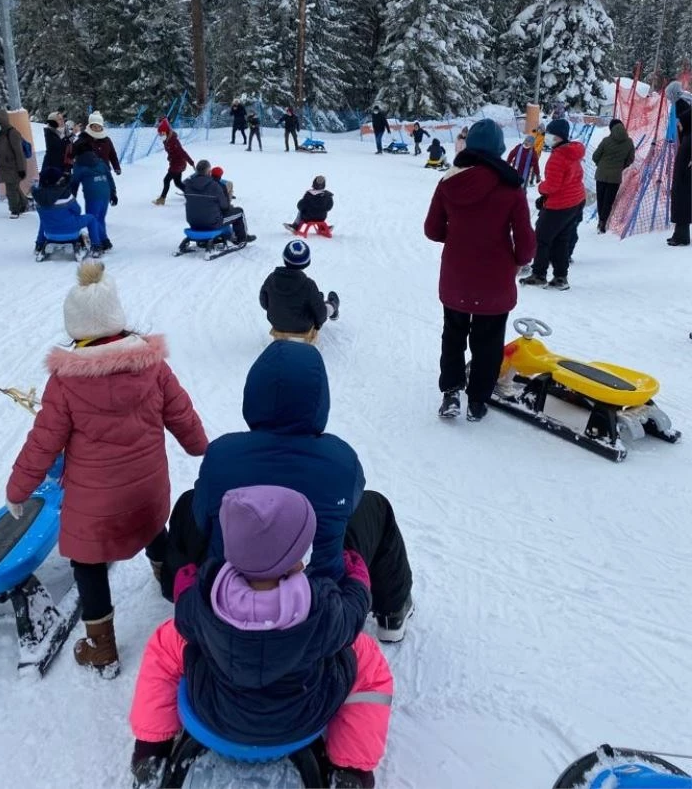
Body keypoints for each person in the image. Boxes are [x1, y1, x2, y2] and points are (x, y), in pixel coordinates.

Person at [5, 262, 207, 676]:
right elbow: (182, 414)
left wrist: (18, 489)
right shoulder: (152, 365)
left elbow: (43, 442)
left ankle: (102, 647)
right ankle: (170, 583)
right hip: (147, 488)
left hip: (95, 503)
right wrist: (201, 448)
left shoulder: (66, 382)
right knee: (154, 528)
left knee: (88, 562)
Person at [129, 486, 392, 789]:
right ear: (296, 559)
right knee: (367, 659)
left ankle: (151, 750)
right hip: (301, 716)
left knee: (166, 640)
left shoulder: (206, 596)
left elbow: (185, 614)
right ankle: (352, 770)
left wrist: (186, 587)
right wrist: (358, 584)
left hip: (215, 709)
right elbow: (353, 617)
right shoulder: (320, 605)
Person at [160, 341, 414, 644]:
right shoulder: (341, 459)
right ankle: (392, 609)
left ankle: (176, 584)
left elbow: (203, 520)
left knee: (190, 503)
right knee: (375, 507)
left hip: (233, 587)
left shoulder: (221, 455)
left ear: (253, 394)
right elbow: (352, 504)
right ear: (319, 400)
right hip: (318, 597)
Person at [424, 119, 536, 422]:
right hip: (495, 280)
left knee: (453, 335)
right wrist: (518, 260)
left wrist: (459, 238)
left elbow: (432, 229)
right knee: (488, 342)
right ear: (499, 149)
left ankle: (450, 393)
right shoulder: (511, 186)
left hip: (456, 276)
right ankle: (477, 401)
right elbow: (526, 244)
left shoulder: (449, 181)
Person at [520, 118, 586, 290]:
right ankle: (560, 277)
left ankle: (539, 274)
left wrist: (541, 188)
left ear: (558, 136)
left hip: (559, 205)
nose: (546, 137)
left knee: (542, 238)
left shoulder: (559, 156)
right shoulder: (573, 152)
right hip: (575, 201)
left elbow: (552, 185)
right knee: (561, 239)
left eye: (549, 134)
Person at [259, 240, 339, 342]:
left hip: (277, 322)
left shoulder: (271, 279)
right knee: (324, 307)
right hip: (303, 326)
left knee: (315, 299)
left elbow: (264, 302)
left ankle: (321, 299)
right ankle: (333, 306)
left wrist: (278, 308)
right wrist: (318, 324)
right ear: (306, 263)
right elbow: (321, 314)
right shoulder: (308, 285)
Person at [33, 167, 104, 258]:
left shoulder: (37, 197)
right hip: (71, 233)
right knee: (91, 218)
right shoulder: (66, 194)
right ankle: (96, 247)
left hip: (50, 234)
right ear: (57, 181)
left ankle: (39, 244)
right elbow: (77, 211)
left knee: (44, 220)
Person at [183, 160, 255, 244]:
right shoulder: (214, 185)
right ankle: (242, 238)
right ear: (209, 171)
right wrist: (229, 207)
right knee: (239, 212)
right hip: (212, 222)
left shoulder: (188, 184)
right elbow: (224, 206)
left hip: (193, 222)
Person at [72, 137, 117, 252]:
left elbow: (74, 182)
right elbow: (109, 177)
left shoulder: (79, 165)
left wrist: (72, 197)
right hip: (105, 192)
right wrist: (113, 192)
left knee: (92, 219)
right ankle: (104, 241)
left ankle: (97, 244)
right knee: (100, 218)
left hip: (92, 195)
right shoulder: (100, 161)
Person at [591, 118, 635, 233]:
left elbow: (595, 156)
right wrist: (621, 166)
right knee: (608, 201)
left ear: (611, 129)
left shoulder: (606, 141)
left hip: (601, 175)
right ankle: (603, 221)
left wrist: (600, 164)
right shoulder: (629, 142)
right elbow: (630, 159)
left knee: (601, 199)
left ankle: (600, 221)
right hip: (615, 177)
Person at [666, 80, 692, 246]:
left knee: (682, 200)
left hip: (685, 175)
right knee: (679, 199)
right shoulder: (688, 136)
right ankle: (679, 234)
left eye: (680, 124)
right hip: (683, 173)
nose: (679, 126)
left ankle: (682, 237)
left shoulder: (689, 136)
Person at [0, 108, 28, 218]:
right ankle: (24, 204)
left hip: (14, 167)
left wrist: (21, 169)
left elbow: (19, 152)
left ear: (2, 121)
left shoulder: (12, 133)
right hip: (4, 168)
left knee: (11, 190)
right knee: (14, 188)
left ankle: (14, 210)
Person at [153, 118, 194, 206]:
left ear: (167, 132)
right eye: (160, 134)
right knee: (177, 183)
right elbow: (171, 151)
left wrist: (191, 162)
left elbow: (182, 152)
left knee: (166, 180)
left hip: (178, 164)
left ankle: (162, 199)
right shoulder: (166, 139)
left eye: (162, 133)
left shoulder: (173, 141)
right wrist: (170, 157)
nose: (161, 135)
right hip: (175, 163)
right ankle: (191, 195)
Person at [84, 111, 122, 176]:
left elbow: (112, 155)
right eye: (95, 126)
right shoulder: (85, 140)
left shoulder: (107, 140)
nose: (97, 129)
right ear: (90, 127)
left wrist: (117, 167)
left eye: (99, 126)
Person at [41, 111, 70, 179]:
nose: (62, 120)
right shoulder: (49, 132)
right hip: (52, 167)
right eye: (59, 119)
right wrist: (72, 135)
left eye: (62, 118)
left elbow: (71, 144)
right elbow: (61, 145)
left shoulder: (65, 131)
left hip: (64, 166)